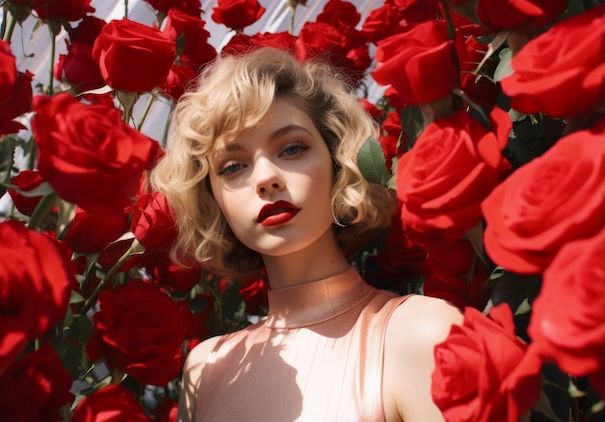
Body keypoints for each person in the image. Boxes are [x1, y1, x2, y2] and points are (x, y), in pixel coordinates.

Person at [151, 47, 464, 422]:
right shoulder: (205, 368)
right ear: (211, 197)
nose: (266, 178)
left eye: (292, 148)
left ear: (337, 160)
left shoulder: (420, 335)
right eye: (233, 166)